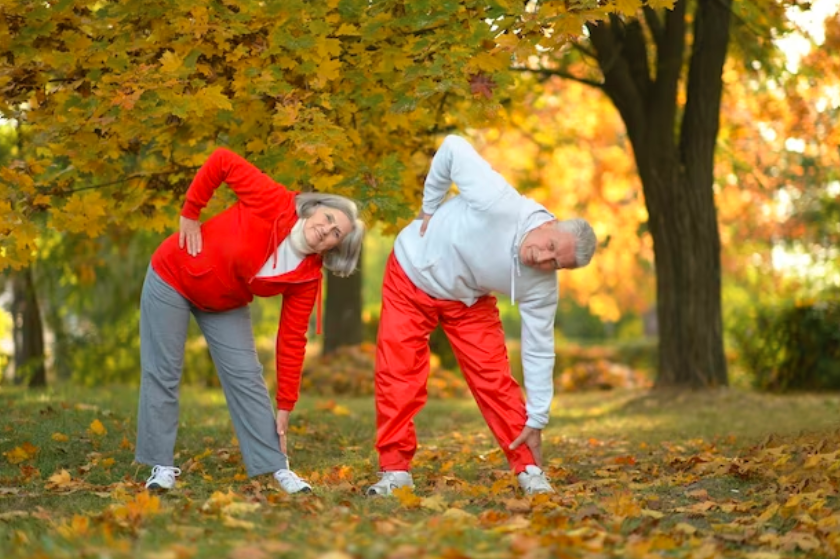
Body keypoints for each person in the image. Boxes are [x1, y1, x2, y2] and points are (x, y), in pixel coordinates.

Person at [366, 135, 596, 496]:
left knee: (494, 380)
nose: (543, 259)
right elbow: (453, 147)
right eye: (550, 247)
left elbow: (538, 350)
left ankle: (529, 469)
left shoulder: (543, 285)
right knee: (398, 374)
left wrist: (538, 417)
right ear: (550, 223)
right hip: (410, 275)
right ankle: (395, 472)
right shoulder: (499, 201)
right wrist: (430, 205)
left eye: (556, 263)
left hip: (468, 300)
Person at [135, 148, 364, 494]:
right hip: (173, 275)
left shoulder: (307, 277)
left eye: (336, 234)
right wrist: (190, 212)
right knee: (163, 371)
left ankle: (275, 465)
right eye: (329, 218)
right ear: (317, 207)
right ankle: (160, 465)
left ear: (335, 248)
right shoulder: (274, 201)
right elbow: (222, 160)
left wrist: (286, 404)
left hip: (223, 301)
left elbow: (291, 340)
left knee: (247, 376)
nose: (326, 229)